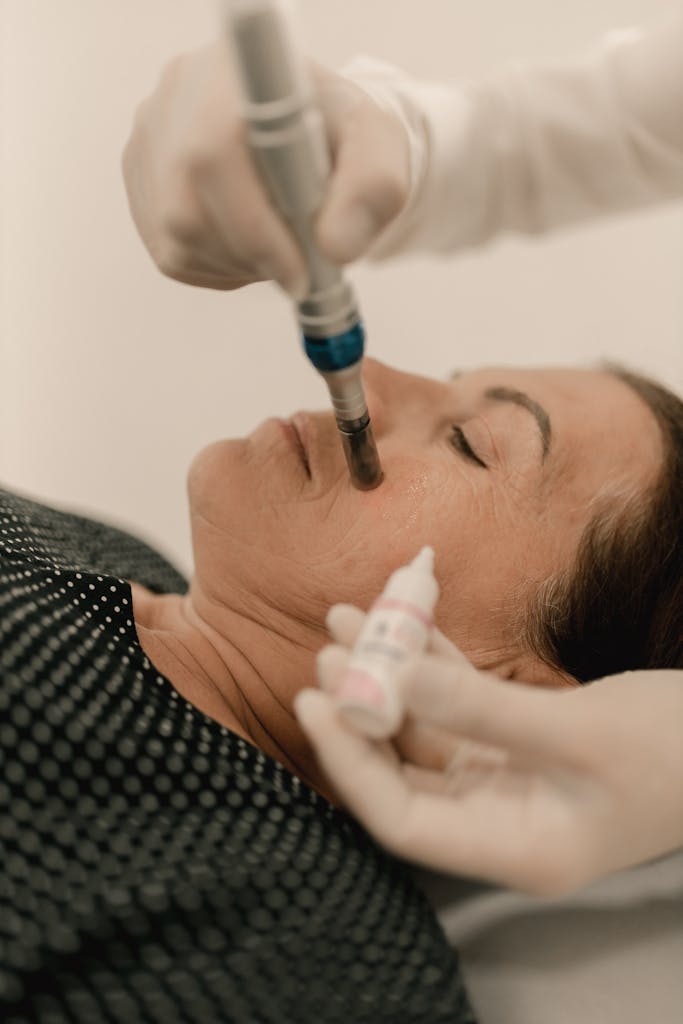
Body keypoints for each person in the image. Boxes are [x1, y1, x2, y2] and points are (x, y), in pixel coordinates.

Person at [120, 2, 683, 900]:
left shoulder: (256, 934)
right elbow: (586, 125)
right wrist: (377, 133)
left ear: (517, 700)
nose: (373, 374)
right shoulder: (107, 560)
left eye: (468, 442)